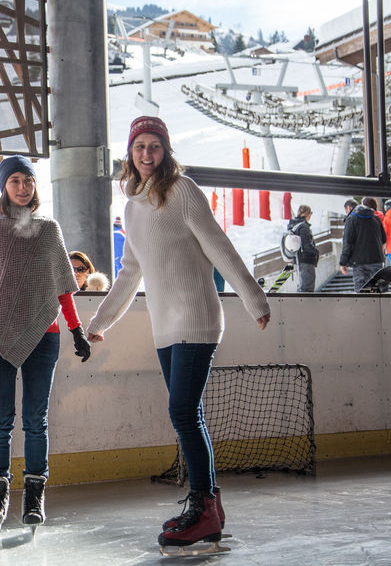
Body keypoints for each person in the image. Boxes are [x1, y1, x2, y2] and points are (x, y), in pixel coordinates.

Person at [85, 116, 270, 552]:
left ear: (166, 150)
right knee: (189, 414)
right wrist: (100, 322)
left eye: (155, 146)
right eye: (139, 147)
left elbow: (218, 244)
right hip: (165, 326)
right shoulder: (132, 203)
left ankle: (203, 505)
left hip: (196, 319)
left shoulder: (182, 191)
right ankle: (209, 507)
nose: (147, 154)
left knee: (183, 413)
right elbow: (130, 272)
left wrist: (254, 298)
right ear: (130, 153)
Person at [0, 155, 91, 534]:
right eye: (14, 180)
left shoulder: (49, 230)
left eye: (28, 180)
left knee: (35, 421)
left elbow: (62, 286)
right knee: (0, 421)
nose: (22, 187)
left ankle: (34, 493)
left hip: (45, 337)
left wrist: (76, 329)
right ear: (3, 187)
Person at [340, 197, 387, 292]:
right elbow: (384, 239)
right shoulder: (375, 218)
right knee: (379, 290)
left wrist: (343, 262)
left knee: (362, 292)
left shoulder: (351, 219)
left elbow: (347, 243)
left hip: (359, 263)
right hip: (376, 260)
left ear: (349, 208)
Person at [287, 205, 319, 292]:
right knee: (307, 289)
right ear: (307, 214)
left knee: (302, 288)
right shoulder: (303, 227)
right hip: (306, 260)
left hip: (298, 260)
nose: (311, 215)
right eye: (310, 213)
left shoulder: (293, 225)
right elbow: (306, 245)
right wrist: (316, 251)